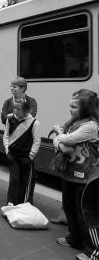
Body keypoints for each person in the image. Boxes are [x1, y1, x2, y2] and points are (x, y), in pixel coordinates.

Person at [52, 89, 99, 260]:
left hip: (86, 177)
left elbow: (67, 139)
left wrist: (59, 136)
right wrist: (58, 141)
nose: (69, 109)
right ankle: (74, 239)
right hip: (70, 173)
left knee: (85, 213)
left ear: (85, 108)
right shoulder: (74, 121)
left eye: (73, 106)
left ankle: (92, 250)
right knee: (69, 207)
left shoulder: (91, 126)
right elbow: (59, 139)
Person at [1, 77, 38, 203]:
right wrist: (7, 150)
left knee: (27, 178)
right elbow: (3, 117)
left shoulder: (32, 101)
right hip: (13, 150)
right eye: (11, 86)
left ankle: (26, 202)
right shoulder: (7, 102)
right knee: (14, 179)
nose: (11, 88)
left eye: (14, 86)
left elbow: (31, 116)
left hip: (26, 150)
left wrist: (31, 155)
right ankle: (12, 202)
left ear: (22, 88)